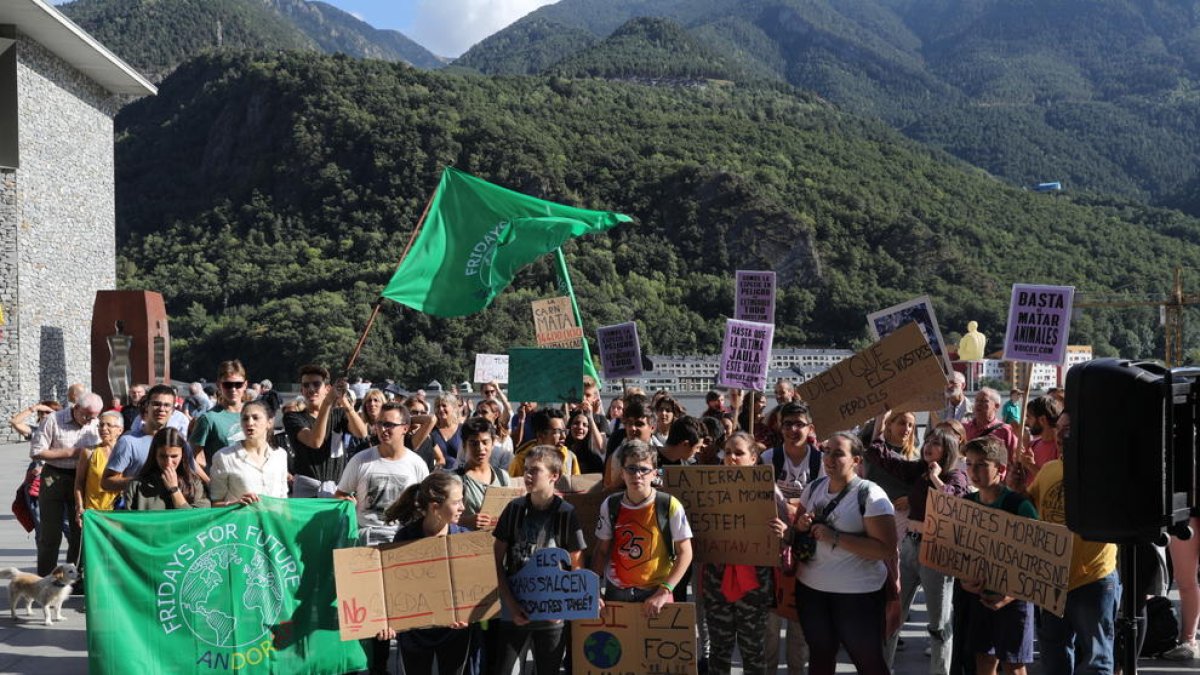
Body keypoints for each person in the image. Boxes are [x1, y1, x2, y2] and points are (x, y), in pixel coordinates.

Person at [867, 420, 970, 674]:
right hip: (909, 547)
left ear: (948, 449)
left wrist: (935, 478)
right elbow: (880, 456)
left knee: (939, 626)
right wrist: (882, 419)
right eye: (928, 441)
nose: (928, 446)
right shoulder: (918, 470)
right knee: (893, 617)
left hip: (937, 552)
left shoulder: (955, 475)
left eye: (936, 443)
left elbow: (955, 502)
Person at [792, 431, 897, 675]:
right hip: (811, 591)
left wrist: (836, 538)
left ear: (856, 460)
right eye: (827, 451)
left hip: (857, 596)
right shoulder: (813, 488)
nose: (829, 459)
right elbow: (796, 532)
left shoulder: (871, 495)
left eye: (838, 453)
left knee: (868, 661)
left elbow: (886, 549)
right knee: (820, 657)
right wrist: (801, 526)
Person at [1026, 411, 1121, 674]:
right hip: (1053, 578)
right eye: (1058, 428)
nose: (1060, 434)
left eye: (1068, 428)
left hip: (1092, 579)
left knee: (1096, 659)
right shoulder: (1048, 469)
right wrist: (1017, 487)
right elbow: (1030, 507)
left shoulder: (1103, 470)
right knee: (1053, 654)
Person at [492, 445, 587, 675]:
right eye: (526, 469)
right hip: (515, 610)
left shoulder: (566, 513)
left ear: (554, 475)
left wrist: (562, 607)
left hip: (552, 615)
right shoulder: (513, 509)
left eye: (535, 470)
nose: (527, 475)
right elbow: (496, 561)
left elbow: (577, 567)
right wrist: (511, 605)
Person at [371, 473, 473, 675]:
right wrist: (387, 621)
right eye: (456, 502)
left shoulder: (464, 538)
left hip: (454, 632)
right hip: (415, 633)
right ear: (435, 507)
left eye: (462, 501)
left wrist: (469, 614)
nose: (462, 507)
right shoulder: (405, 537)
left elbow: (473, 587)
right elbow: (392, 587)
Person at [703, 432, 784, 675]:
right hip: (717, 578)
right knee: (719, 649)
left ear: (753, 458)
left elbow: (788, 532)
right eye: (728, 452)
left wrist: (783, 530)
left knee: (752, 649)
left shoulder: (769, 490)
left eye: (739, 453)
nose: (732, 458)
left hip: (755, 580)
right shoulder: (708, 488)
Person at [957, 436, 1037, 675]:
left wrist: (1010, 594)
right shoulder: (966, 504)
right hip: (978, 597)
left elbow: (1036, 558)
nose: (973, 471)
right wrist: (963, 580)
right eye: (969, 464)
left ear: (1000, 469)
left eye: (981, 464)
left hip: (1014, 600)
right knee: (983, 660)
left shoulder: (1019, 506)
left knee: (1013, 664)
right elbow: (958, 552)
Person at [592, 440, 694, 614]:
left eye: (644, 469)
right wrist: (594, 589)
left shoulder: (669, 505)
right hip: (617, 591)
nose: (637, 475)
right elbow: (601, 550)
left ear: (654, 473)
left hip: (657, 591)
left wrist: (664, 591)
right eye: (631, 469)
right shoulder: (610, 505)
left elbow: (685, 553)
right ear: (622, 473)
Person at [334, 402, 428, 544]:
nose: (383, 429)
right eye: (379, 424)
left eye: (389, 425)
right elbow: (340, 494)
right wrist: (348, 504)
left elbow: (426, 503)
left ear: (405, 428)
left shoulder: (417, 463)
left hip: (402, 538)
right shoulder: (360, 460)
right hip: (366, 538)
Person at [29, 392, 101, 575]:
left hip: (83, 478)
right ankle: (45, 578)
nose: (89, 421)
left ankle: (74, 577)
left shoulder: (96, 423)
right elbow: (36, 452)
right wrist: (72, 452)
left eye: (93, 417)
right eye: (86, 416)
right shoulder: (53, 420)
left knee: (79, 532)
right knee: (50, 534)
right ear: (76, 408)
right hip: (54, 475)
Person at [285, 364, 368, 497]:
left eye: (316, 384)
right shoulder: (293, 417)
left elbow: (362, 433)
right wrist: (327, 402)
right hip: (306, 490)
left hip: (336, 488)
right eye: (306, 385)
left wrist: (344, 401)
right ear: (301, 391)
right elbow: (315, 442)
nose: (311, 389)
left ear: (327, 389)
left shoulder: (339, 414)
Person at [102, 384, 183, 494]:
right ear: (147, 406)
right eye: (156, 404)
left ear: (173, 410)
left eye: (167, 405)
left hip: (171, 503)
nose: (161, 409)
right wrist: (140, 482)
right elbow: (106, 482)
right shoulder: (128, 441)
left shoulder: (177, 440)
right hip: (139, 503)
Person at [208, 400, 289, 506]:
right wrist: (235, 504)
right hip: (241, 516)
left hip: (273, 516)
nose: (250, 423)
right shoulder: (224, 457)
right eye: (245, 419)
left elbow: (284, 499)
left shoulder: (280, 455)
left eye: (256, 418)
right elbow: (215, 503)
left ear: (269, 422)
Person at [189, 360, 250, 475]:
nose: (233, 389)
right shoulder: (208, 419)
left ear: (245, 385)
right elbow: (193, 458)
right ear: (219, 385)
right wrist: (209, 482)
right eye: (228, 385)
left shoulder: (255, 415)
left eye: (238, 384)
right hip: (222, 482)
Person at [125, 428, 210, 510]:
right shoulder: (136, 486)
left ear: (183, 455)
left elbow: (197, 517)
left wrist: (174, 490)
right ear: (155, 455)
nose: (168, 463)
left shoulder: (194, 485)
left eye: (174, 456)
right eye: (163, 456)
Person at [454, 417, 513, 530]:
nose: (480, 448)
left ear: (493, 443)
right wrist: (465, 521)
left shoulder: (502, 477)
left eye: (485, 442)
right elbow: (442, 518)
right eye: (474, 443)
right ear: (464, 445)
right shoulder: (455, 480)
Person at [73, 410, 123, 528]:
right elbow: (79, 483)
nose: (104, 428)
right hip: (94, 514)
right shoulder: (89, 452)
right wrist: (80, 507)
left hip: (120, 513)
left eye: (109, 425)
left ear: (120, 430)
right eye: (101, 425)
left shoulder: (126, 452)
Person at [508, 409, 581, 490]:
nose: (563, 436)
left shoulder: (570, 457)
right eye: (557, 432)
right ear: (540, 435)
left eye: (564, 431)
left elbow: (577, 489)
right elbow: (512, 491)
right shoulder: (521, 460)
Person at [1010, 395, 1062, 490]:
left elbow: (1054, 484)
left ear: (1042, 420)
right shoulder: (1033, 444)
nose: (1026, 422)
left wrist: (1030, 465)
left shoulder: (1060, 448)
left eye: (1029, 417)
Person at [964, 388, 1019, 466]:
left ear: (996, 406)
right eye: (977, 401)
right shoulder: (965, 428)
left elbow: (1012, 461)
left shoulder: (1005, 431)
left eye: (984, 401)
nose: (979, 404)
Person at [474, 398, 514, 472]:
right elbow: (460, 462)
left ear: (496, 415)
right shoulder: (470, 436)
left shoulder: (505, 440)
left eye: (484, 412)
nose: (479, 416)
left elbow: (507, 468)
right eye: (478, 412)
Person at [566, 407, 606, 474]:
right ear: (570, 426)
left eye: (585, 425)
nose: (580, 427)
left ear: (589, 429)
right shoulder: (562, 452)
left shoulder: (595, 459)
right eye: (576, 423)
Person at [431, 393, 465, 469]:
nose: (440, 409)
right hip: (438, 473)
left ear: (454, 408)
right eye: (438, 406)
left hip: (459, 473)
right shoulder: (431, 431)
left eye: (444, 405)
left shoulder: (463, 429)